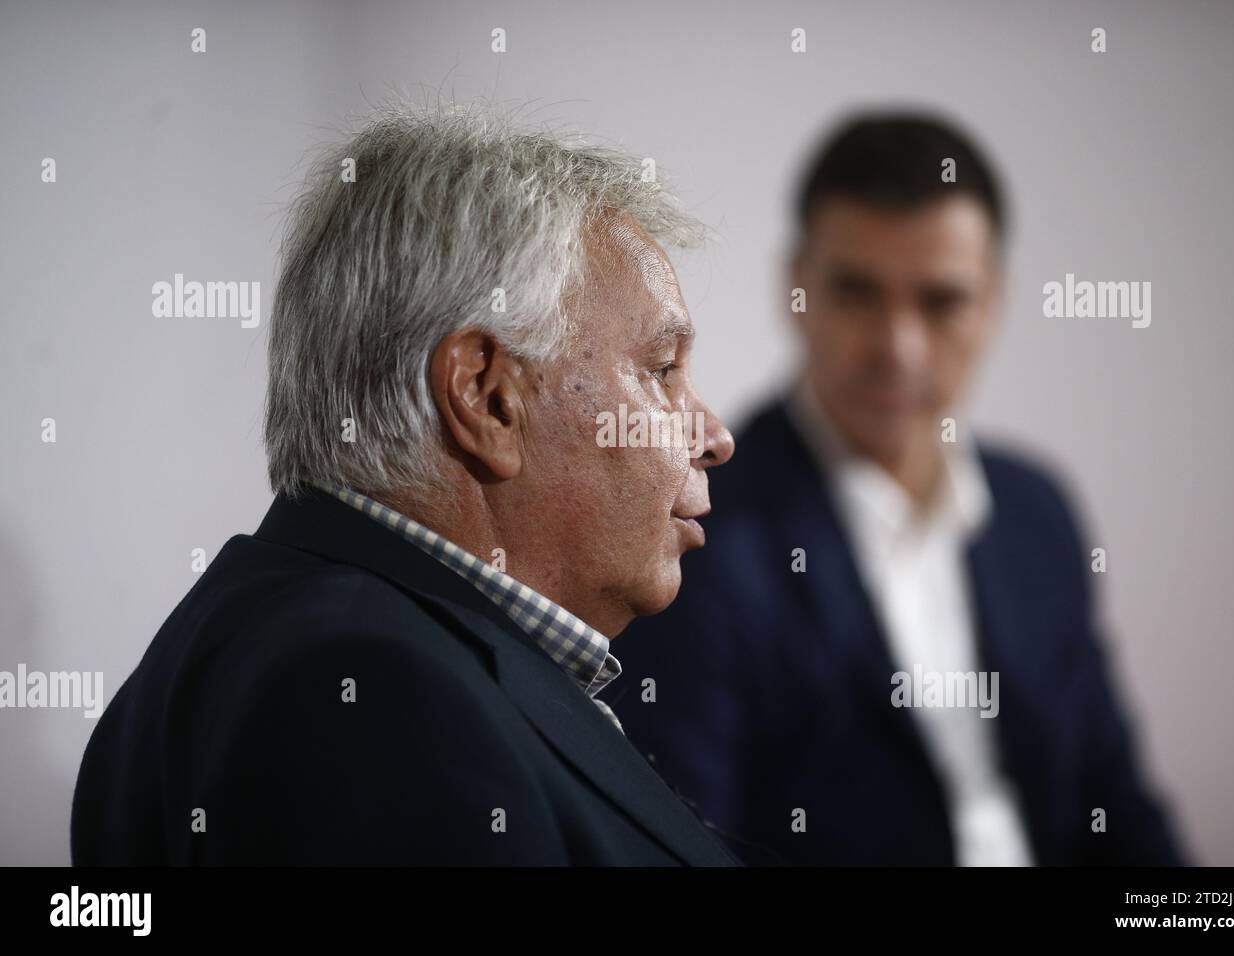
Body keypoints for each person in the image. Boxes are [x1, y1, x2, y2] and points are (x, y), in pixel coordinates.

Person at [71, 104, 737, 865]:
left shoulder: (325, 637)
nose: (713, 437)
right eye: (661, 371)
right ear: (488, 399)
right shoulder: (364, 693)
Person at [612, 113, 1187, 866]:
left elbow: (1113, 802)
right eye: (857, 293)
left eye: (941, 300)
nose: (897, 346)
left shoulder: (1036, 513)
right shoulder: (699, 533)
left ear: (994, 302)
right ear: (797, 287)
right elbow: (689, 849)